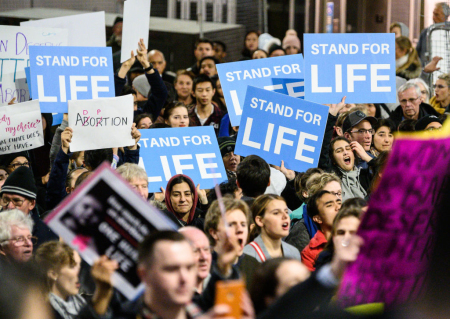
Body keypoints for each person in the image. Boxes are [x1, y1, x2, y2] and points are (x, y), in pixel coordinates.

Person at [35, 241, 118, 319]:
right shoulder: (38, 311)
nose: (79, 273)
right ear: (53, 274)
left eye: (79, 266)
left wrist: (103, 292)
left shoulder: (85, 300)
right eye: (72, 266)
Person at [204, 196, 259, 288]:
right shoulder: (203, 266)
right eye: (231, 224)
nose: (240, 229)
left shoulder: (253, 265)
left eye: (243, 224)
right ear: (214, 233)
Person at [0, 167, 58, 248]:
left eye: (16, 201)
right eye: (6, 200)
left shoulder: (46, 236)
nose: (10, 206)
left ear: (32, 204)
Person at [244, 194, 300, 262]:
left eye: (286, 212)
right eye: (276, 213)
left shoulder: (294, 252)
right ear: (260, 220)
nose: (285, 216)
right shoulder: (247, 255)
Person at [301, 190, 342, 271]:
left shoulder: (358, 236)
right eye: (330, 205)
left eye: (339, 203)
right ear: (318, 218)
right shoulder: (310, 253)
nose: (338, 207)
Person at [314, 205, 362, 270]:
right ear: (333, 236)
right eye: (341, 233)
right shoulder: (323, 261)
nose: (346, 237)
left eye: (353, 233)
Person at [328, 137, 374, 201]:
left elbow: (388, 175)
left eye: (348, 149)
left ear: (354, 155)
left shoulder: (366, 176)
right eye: (339, 151)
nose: (345, 153)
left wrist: (366, 157)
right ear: (333, 160)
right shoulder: (331, 182)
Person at [179, 226, 212, 294]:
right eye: (195, 251)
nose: (204, 257)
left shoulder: (217, 286)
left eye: (206, 249)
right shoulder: (172, 296)